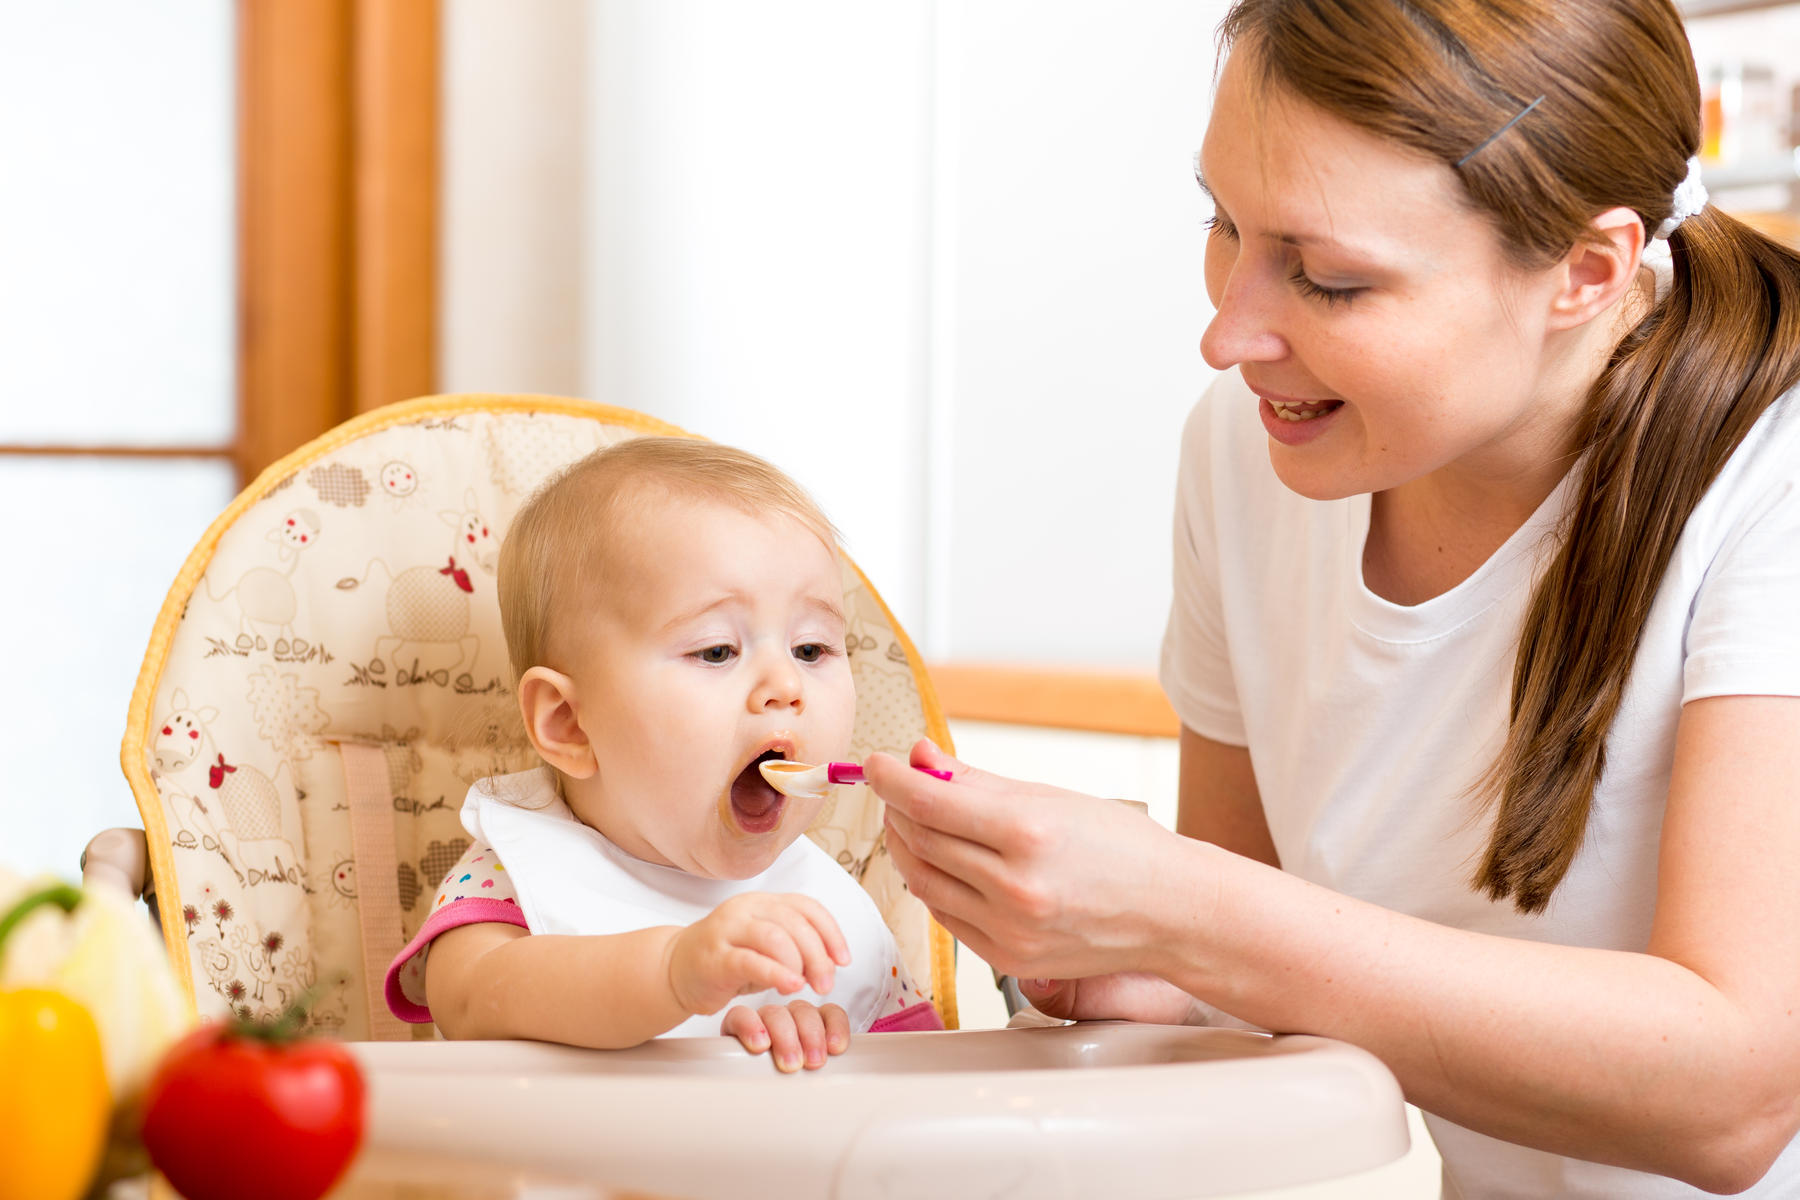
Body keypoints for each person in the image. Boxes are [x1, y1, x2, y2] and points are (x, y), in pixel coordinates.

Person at [868, 0, 1800, 1194]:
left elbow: (1734, 1099)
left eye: (1329, 281)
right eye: (1223, 223)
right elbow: (1250, 987)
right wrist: (1122, 955)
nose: (1227, 334)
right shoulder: (1254, 453)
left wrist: (1185, 913)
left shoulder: (1768, 477)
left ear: (1589, 269)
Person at [384, 436, 942, 1071]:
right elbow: (473, 999)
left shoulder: (829, 901)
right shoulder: (517, 875)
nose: (786, 687)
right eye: (715, 651)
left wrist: (829, 1051)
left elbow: (917, 1098)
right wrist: (673, 974)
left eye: (811, 650)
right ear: (570, 723)